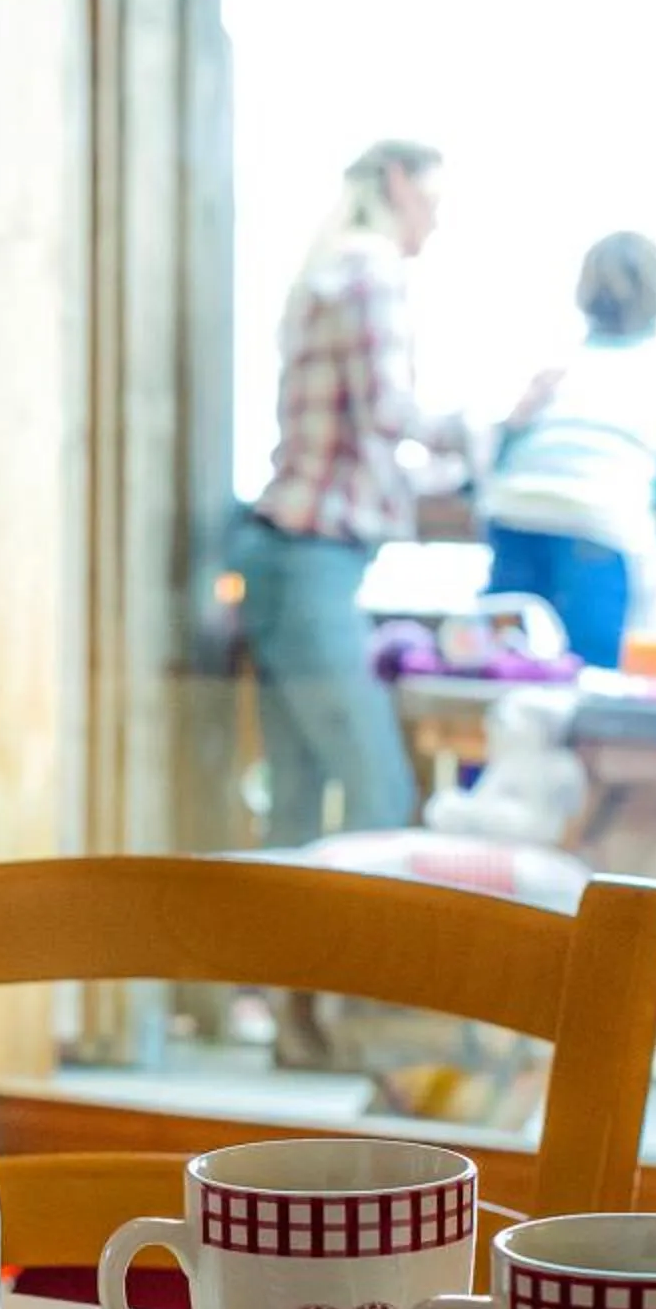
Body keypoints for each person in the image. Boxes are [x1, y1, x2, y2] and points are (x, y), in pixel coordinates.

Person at [235, 138, 457, 849]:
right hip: (313, 562)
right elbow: (389, 414)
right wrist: (484, 437)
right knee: (380, 795)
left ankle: (263, 965)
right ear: (397, 183)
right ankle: (348, 964)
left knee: (295, 807)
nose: (435, 222)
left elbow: (352, 443)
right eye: (433, 201)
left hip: (283, 555)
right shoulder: (373, 270)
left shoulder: (328, 270)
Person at [479, 231, 656, 669]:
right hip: (597, 527)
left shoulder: (555, 366)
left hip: (514, 517)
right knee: (587, 682)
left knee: (510, 674)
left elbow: (504, 445)